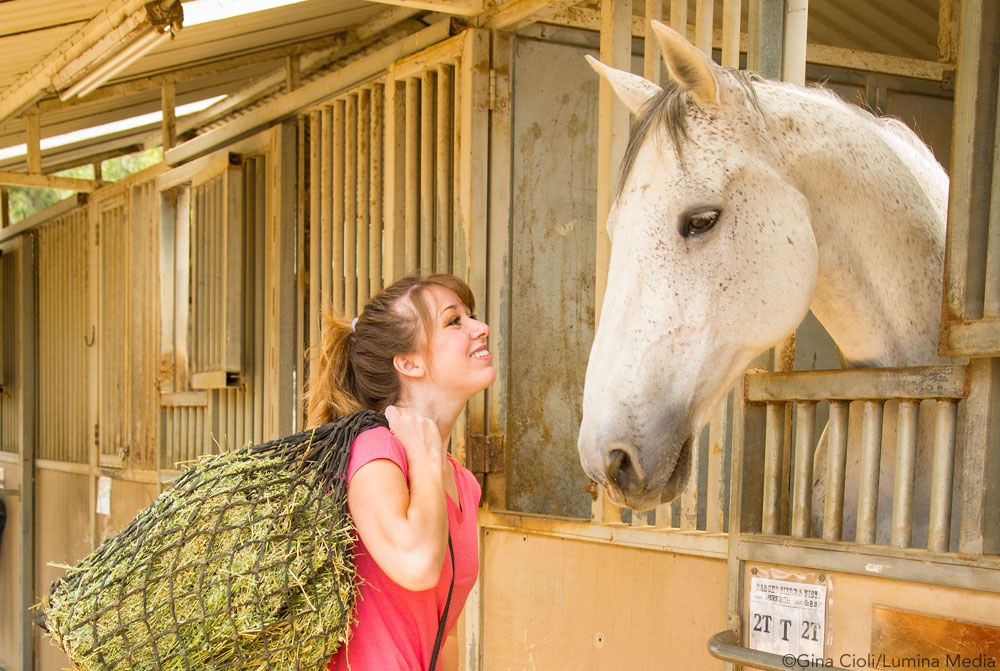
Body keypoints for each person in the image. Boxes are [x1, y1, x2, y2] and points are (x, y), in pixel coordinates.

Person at [305, 273, 495, 671]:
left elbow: (446, 636)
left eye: (470, 315)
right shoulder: (374, 450)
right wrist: (425, 457)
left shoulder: (463, 484)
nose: (482, 328)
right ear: (409, 362)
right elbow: (417, 564)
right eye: (454, 321)